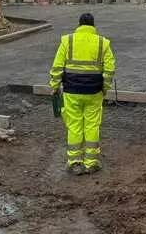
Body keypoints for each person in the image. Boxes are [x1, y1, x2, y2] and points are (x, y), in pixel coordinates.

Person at [48, 12, 116, 175]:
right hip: (94, 92)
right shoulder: (103, 43)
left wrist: (55, 86)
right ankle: (91, 163)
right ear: (93, 26)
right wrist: (104, 88)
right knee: (92, 125)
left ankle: (74, 163)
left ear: (79, 25)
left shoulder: (68, 41)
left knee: (74, 126)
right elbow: (109, 70)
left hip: (71, 91)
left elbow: (57, 67)